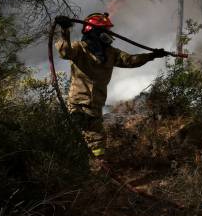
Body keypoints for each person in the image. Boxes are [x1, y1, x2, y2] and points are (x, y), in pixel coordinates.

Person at [54, 13, 167, 159]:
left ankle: (98, 168)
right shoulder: (79, 48)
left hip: (95, 106)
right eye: (104, 30)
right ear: (93, 31)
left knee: (97, 143)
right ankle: (77, 169)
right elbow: (65, 52)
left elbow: (131, 61)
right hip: (78, 104)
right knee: (75, 137)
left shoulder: (110, 53)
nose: (107, 34)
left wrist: (151, 55)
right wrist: (64, 30)